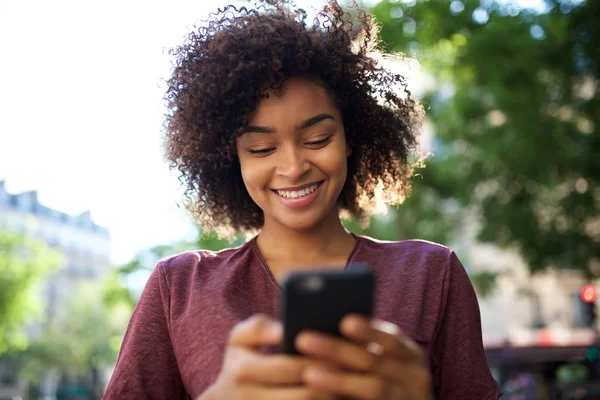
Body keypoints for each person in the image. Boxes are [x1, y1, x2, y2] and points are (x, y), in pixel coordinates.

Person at [103, 1, 501, 399]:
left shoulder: (430, 273)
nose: (293, 167)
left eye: (317, 140)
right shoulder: (179, 287)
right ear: (231, 160)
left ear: (351, 139)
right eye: (261, 148)